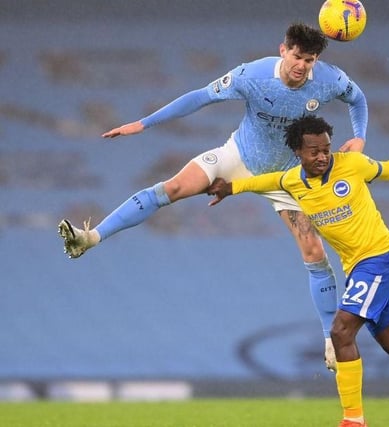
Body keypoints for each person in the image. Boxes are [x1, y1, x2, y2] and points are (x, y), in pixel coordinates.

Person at [57, 22, 368, 371]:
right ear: (283, 49)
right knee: (172, 188)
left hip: (284, 177)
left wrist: (360, 137)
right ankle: (90, 238)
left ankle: (330, 340)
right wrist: (143, 123)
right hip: (238, 157)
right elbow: (200, 97)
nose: (302, 66)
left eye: (309, 60)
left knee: (314, 252)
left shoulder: (329, 80)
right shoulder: (252, 75)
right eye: (297, 56)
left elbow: (357, 99)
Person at [207, 115, 389, 427]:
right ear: (298, 151)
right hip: (358, 268)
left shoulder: (351, 164)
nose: (323, 156)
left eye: (326, 149)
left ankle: (353, 420)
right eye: (314, 151)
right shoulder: (292, 181)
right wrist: (231, 188)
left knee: (341, 330)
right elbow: (266, 181)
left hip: (380, 258)